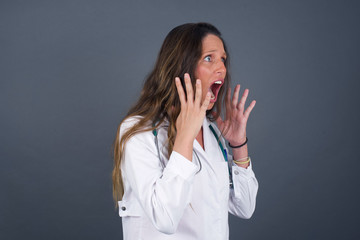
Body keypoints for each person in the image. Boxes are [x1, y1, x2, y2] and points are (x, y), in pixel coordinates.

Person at [112, 22, 258, 240]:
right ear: (182, 66)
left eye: (223, 59)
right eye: (209, 58)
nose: (222, 68)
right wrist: (185, 137)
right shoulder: (139, 132)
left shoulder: (211, 131)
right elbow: (164, 218)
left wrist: (238, 145)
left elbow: (244, 207)